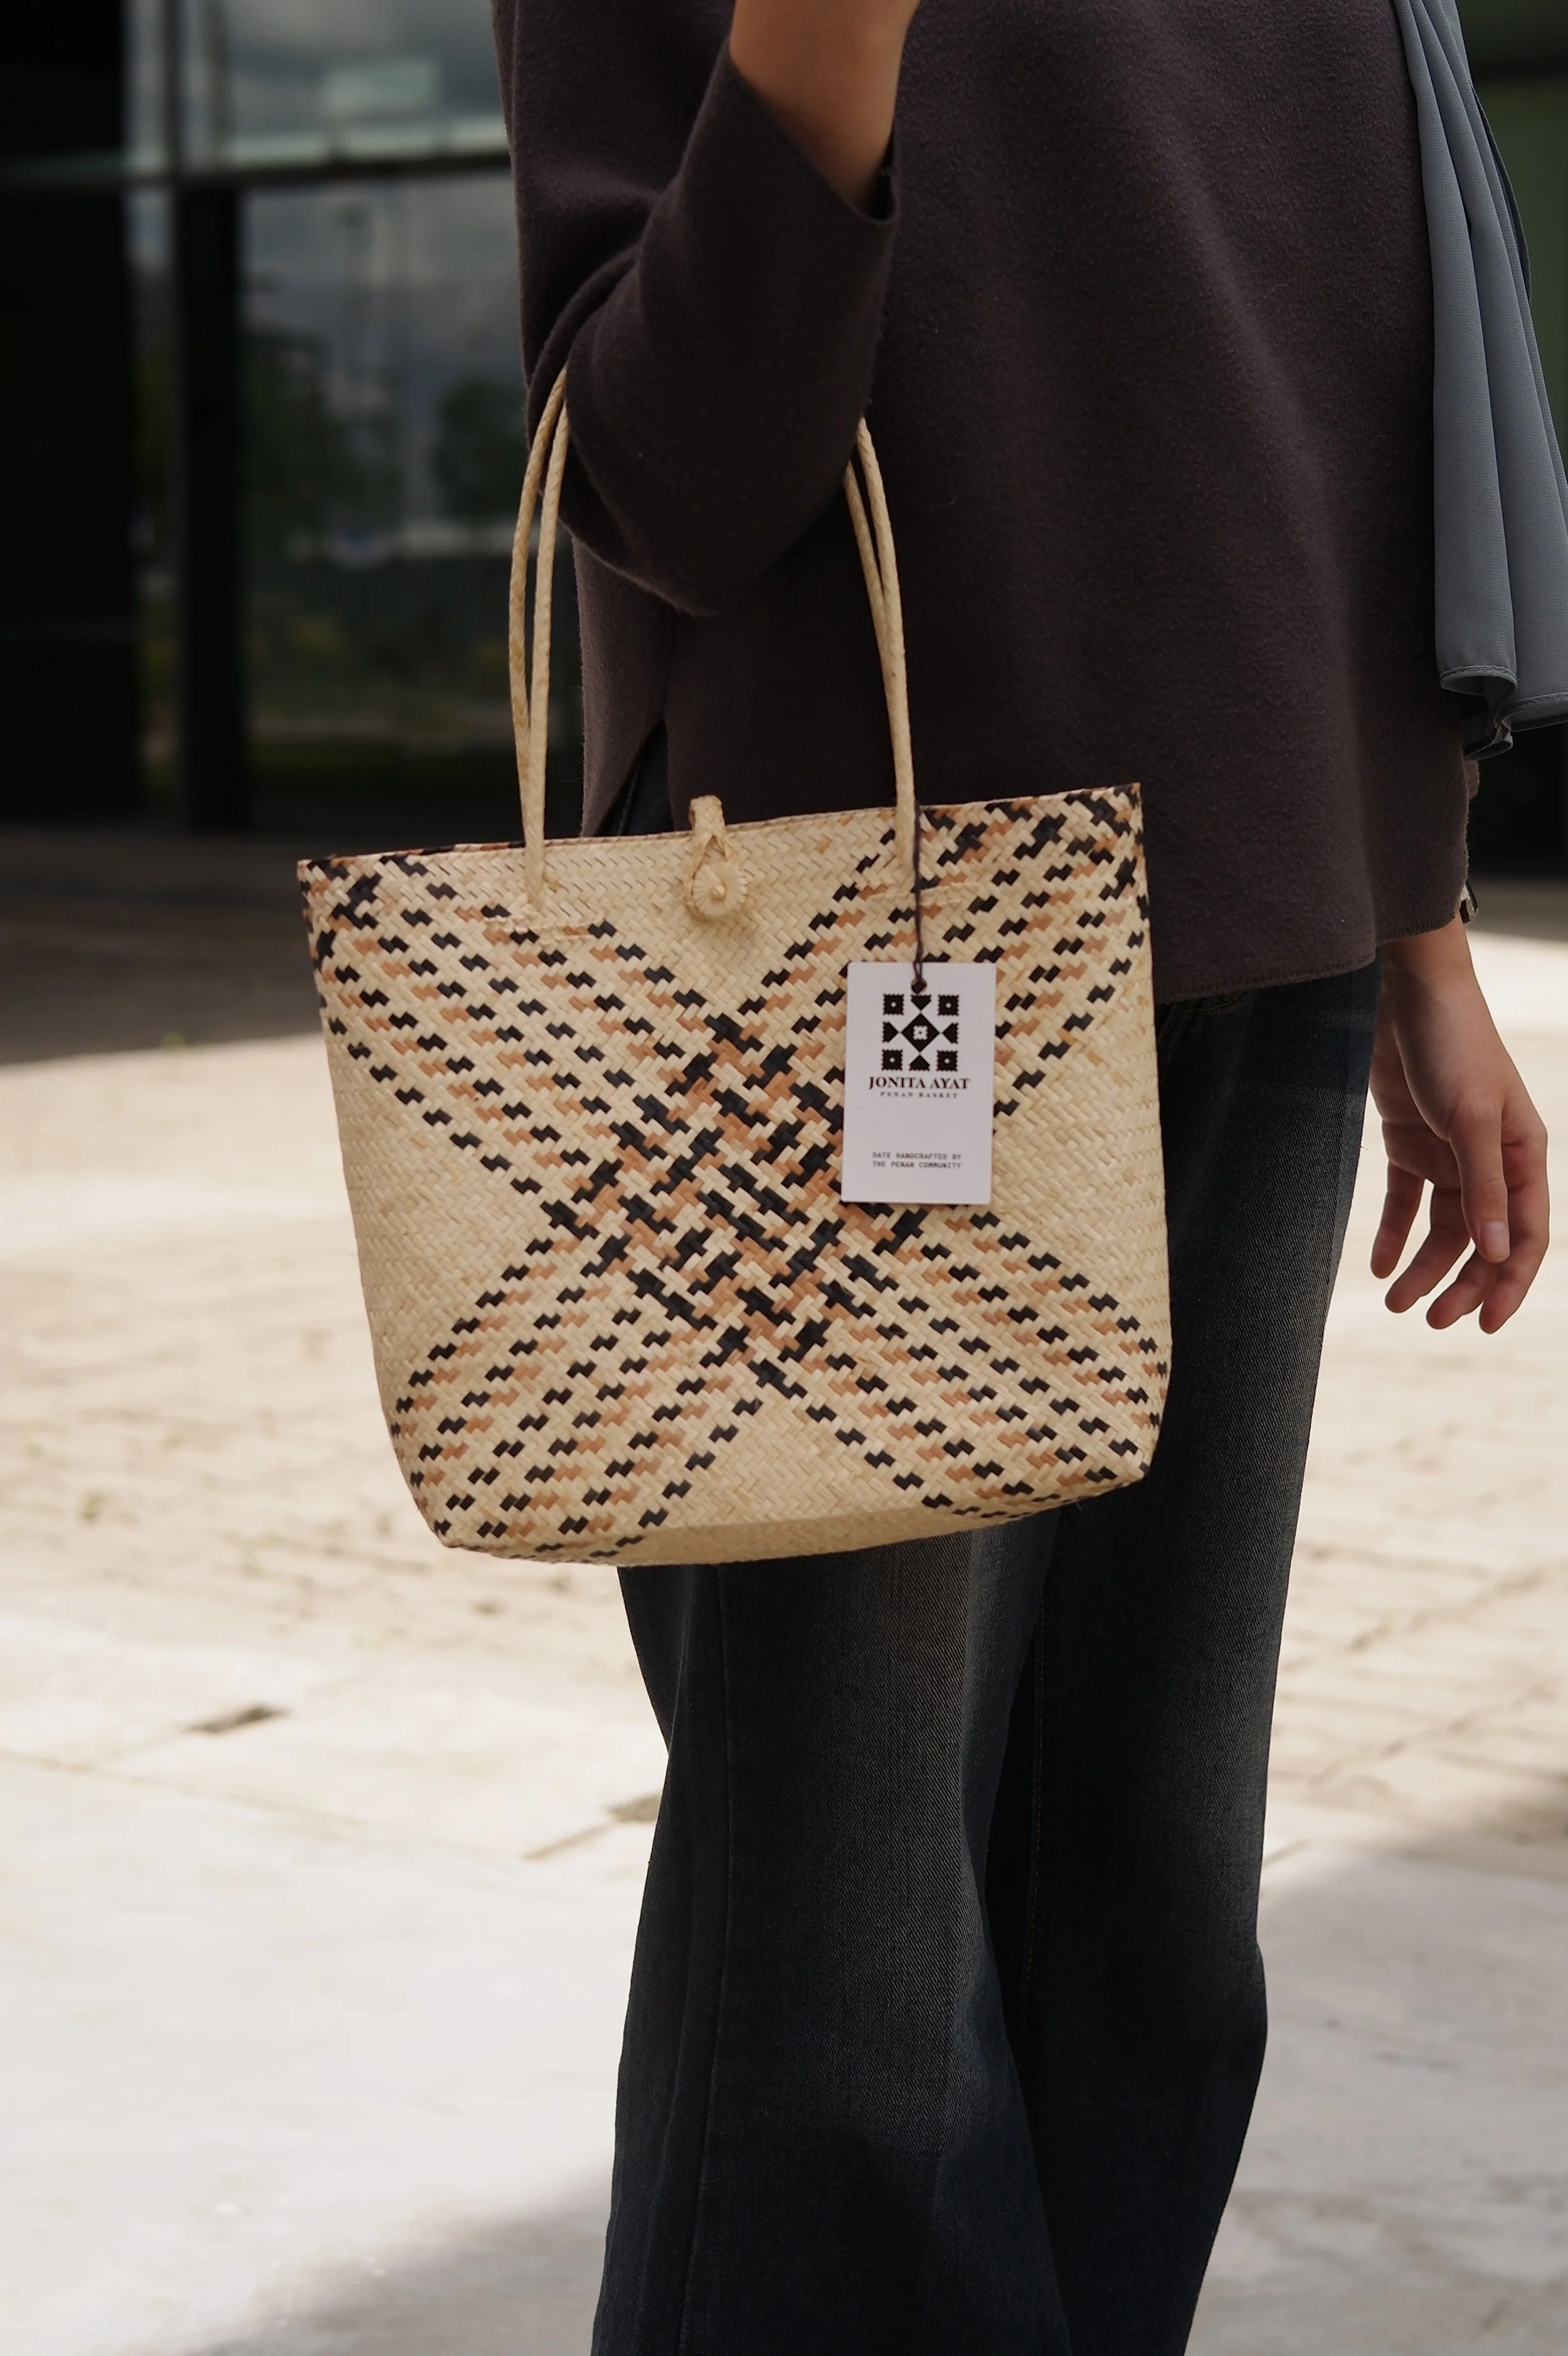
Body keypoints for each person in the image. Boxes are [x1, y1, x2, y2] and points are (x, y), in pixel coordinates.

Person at [491, 3, 1553, 2348]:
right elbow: (656, 482)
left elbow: (1348, 383)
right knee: (846, 1980)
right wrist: (818, 53)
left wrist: (1420, 929)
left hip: (1258, 925)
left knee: (1143, 1938)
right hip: (857, 967)